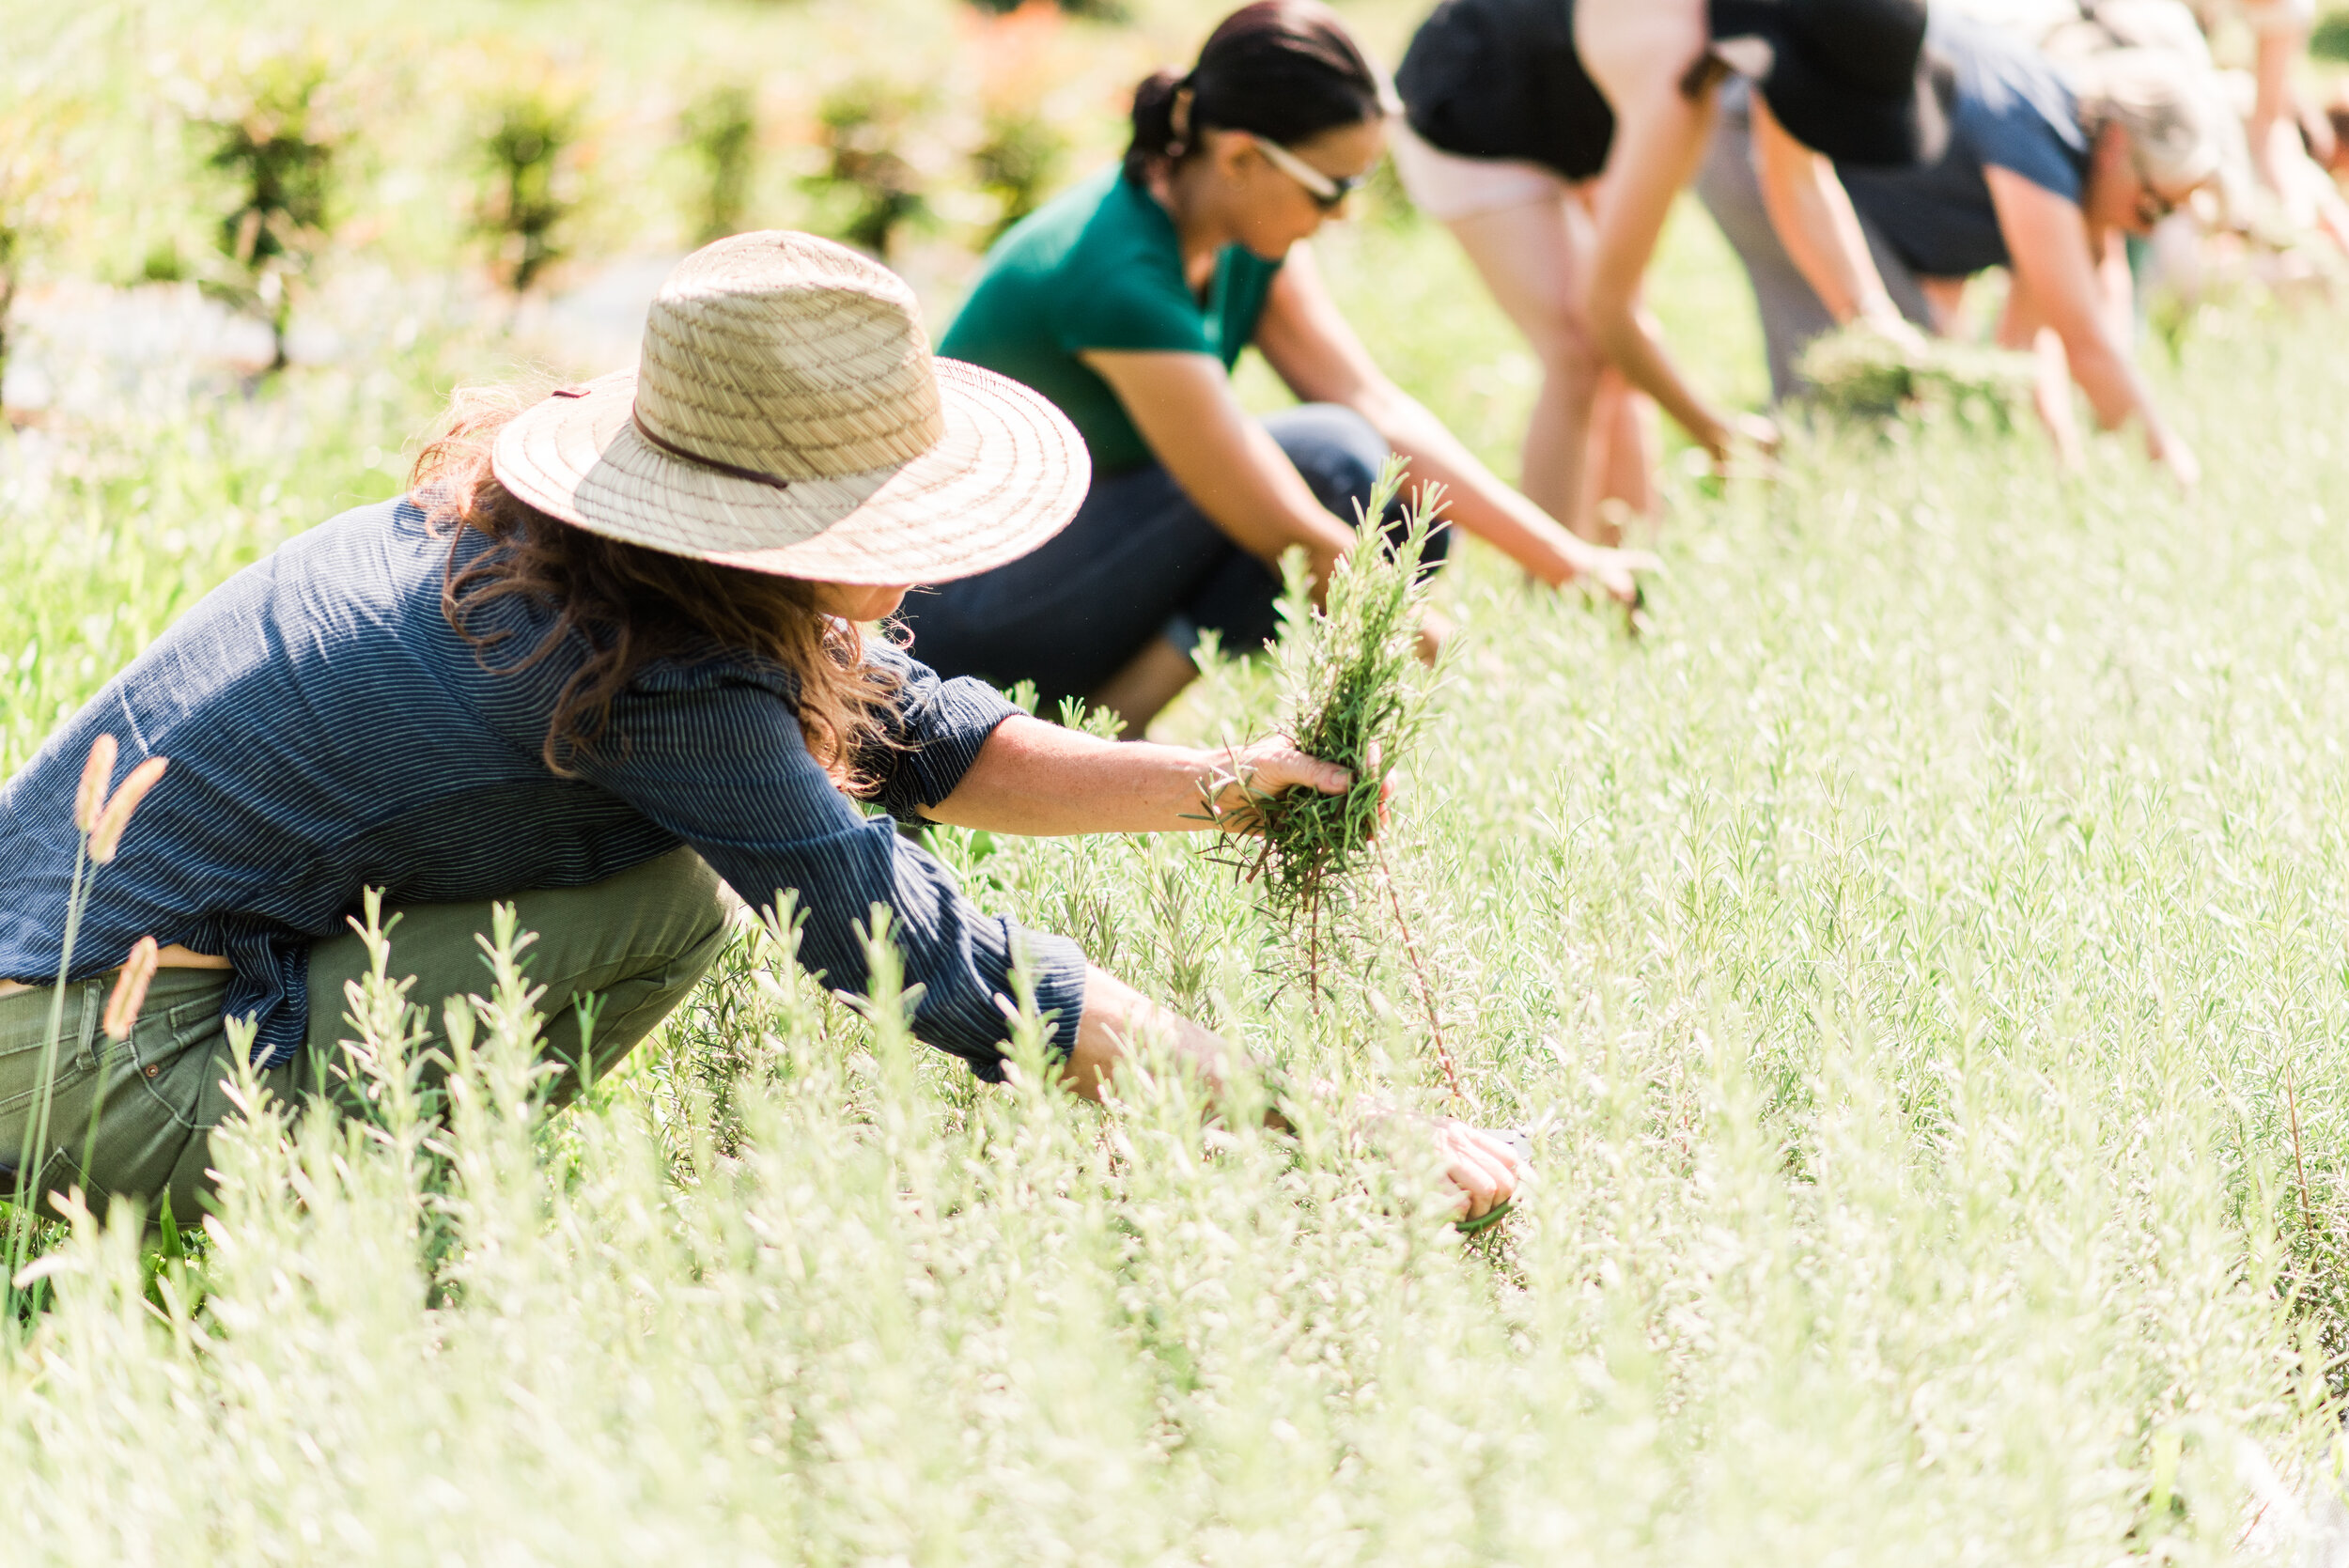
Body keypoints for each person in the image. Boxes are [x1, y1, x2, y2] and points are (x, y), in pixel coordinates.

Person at [0, 232, 1522, 1228]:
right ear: (762, 521)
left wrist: (1224, 787)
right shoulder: (651, 672)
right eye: (890, 510)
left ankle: (407, 1187)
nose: (922, 549)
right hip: (90, 1045)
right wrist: (1333, 1129)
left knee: (665, 889)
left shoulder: (555, 548)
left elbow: (920, 735)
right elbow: (934, 957)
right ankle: (385, 1230)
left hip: (70, 984)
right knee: (684, 891)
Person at [894, 0, 1653, 739]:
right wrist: (1483, 686)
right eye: (1333, 189)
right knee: (1332, 471)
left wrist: (1569, 561)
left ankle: (1122, 715)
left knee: (1400, 509)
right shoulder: (1117, 271)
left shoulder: (1237, 229)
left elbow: (1377, 407)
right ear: (1240, 157)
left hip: (1066, 563)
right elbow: (1284, 526)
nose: (1343, 216)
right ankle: (1089, 734)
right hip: (955, 616)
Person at [1392, 0, 1948, 539]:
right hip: (1472, 105)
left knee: (1624, 366)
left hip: (1575, 105)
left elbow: (1799, 181)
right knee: (1580, 352)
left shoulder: (1767, 28)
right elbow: (1607, 309)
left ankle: (1627, 576)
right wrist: (1716, 434)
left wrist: (1871, 317)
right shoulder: (1676, 78)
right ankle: (1553, 586)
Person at [1720, 18, 2223, 481]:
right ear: (2115, 146)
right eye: (2152, 207)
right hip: (1765, 141)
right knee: (1877, 384)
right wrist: (2174, 473)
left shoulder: (2062, 131)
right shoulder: (2040, 150)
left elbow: (2026, 348)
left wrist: (2063, 470)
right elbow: (2087, 345)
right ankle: (1786, 509)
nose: (2151, 231)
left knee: (1907, 378)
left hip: (1790, 143)